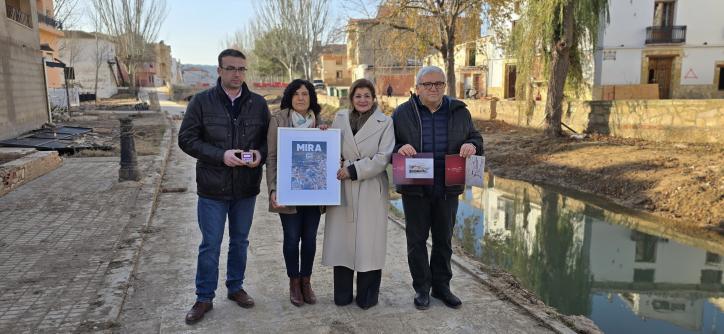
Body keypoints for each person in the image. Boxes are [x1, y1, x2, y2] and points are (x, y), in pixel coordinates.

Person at [178, 49, 270, 324]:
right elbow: (186, 139)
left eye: (241, 69)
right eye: (231, 68)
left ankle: (235, 287)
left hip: (245, 187)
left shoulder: (257, 103)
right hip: (212, 188)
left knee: (240, 241)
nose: (237, 74)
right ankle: (204, 297)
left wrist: (259, 155)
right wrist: (220, 156)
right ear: (219, 71)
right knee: (210, 244)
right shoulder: (201, 102)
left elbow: (268, 140)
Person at [392, 66, 483, 310]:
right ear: (418, 87)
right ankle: (422, 288)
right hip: (415, 189)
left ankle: (442, 287)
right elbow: (389, 146)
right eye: (428, 84)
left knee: (443, 241)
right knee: (416, 241)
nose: (434, 88)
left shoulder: (460, 112)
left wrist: (472, 146)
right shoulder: (402, 113)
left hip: (447, 188)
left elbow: (476, 138)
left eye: (439, 84)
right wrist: (398, 148)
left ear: (445, 86)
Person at [322, 78, 395, 309]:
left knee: (368, 243)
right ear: (351, 98)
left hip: (370, 187)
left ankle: (368, 296)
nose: (362, 100)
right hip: (342, 188)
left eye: (367, 96)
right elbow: (330, 146)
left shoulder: (385, 122)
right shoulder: (341, 117)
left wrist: (352, 170)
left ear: (374, 98)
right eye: (358, 96)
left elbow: (383, 158)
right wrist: (324, 133)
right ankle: (342, 293)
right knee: (342, 241)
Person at [266, 79, 327, 307]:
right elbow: (271, 158)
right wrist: (273, 188)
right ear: (290, 97)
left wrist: (325, 136)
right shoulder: (278, 120)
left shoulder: (320, 122)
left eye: (306, 94)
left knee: (310, 239)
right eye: (297, 94)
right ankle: (293, 282)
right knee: (292, 239)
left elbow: (328, 156)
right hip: (288, 191)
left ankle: (306, 281)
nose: (301, 98)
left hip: (313, 192)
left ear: (311, 97)